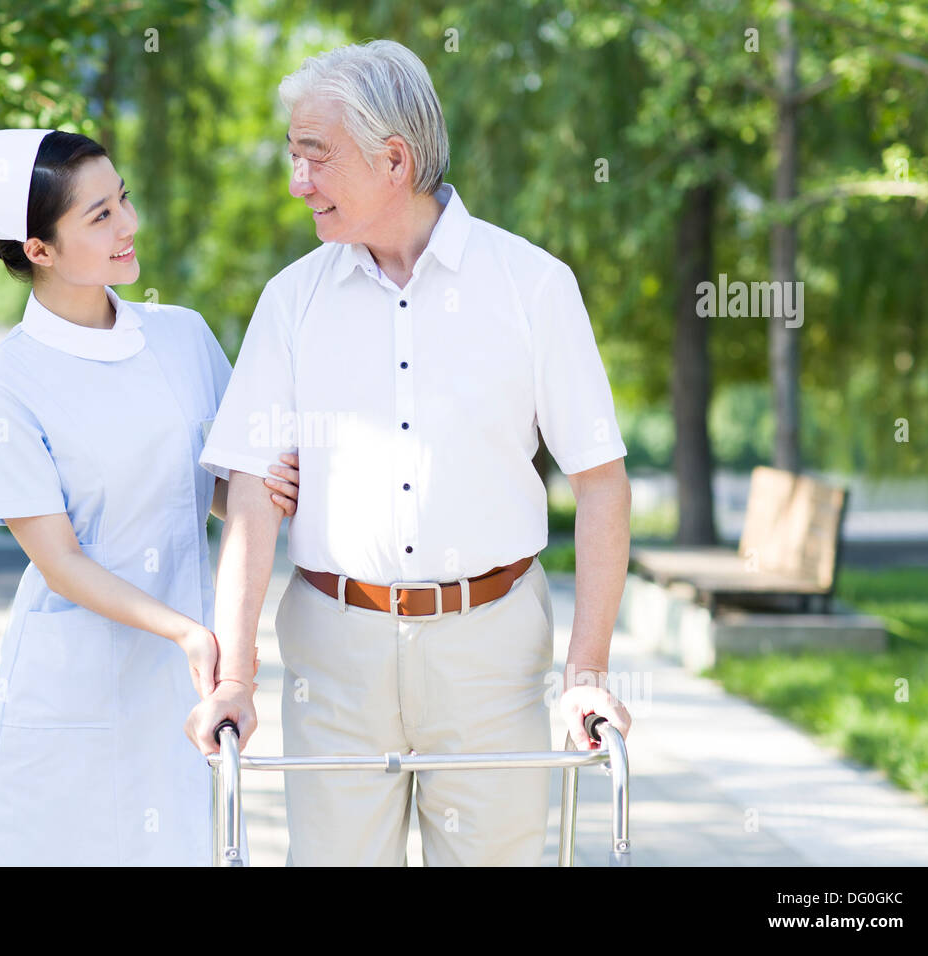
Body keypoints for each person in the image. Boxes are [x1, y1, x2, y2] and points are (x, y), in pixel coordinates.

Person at [188, 40, 634, 866]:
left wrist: (587, 672)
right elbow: (253, 496)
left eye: (314, 156)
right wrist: (236, 679)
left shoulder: (533, 286)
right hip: (333, 652)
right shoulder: (291, 301)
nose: (296, 182)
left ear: (394, 158)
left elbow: (602, 485)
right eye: (293, 156)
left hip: (491, 650)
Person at [0, 128, 300, 866]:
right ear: (38, 250)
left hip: (174, 682)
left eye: (124, 199)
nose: (129, 225)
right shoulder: (5, 386)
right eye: (99, 216)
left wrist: (265, 485)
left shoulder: (183, 336)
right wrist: (185, 631)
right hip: (70, 675)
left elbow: (216, 484)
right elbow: (60, 563)